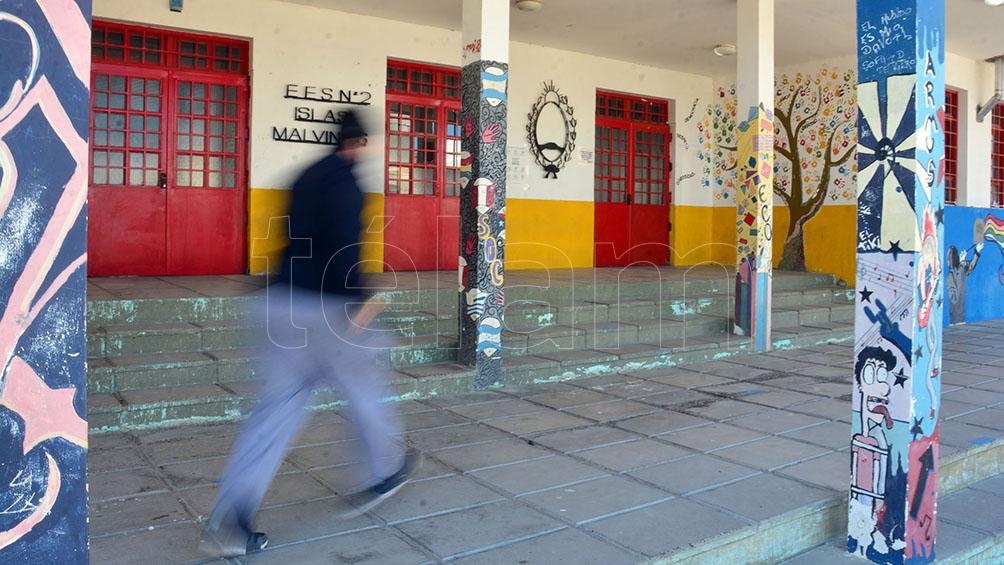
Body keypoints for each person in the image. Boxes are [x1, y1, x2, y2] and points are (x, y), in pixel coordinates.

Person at [199, 111, 418, 558]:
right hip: (324, 310)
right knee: (365, 390)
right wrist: (362, 300)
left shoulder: (304, 176)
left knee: (275, 413)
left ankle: (231, 520)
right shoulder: (347, 184)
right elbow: (343, 246)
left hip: (278, 302)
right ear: (359, 143)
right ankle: (384, 471)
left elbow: (292, 236)